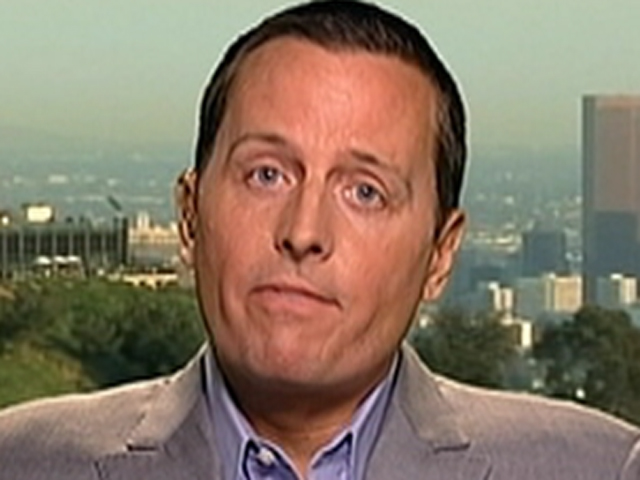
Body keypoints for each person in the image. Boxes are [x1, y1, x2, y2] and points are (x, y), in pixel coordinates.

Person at [1, 1, 639, 478]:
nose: (303, 233)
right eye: (266, 175)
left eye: (364, 192)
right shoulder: (21, 461)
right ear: (190, 215)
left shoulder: (601, 468)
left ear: (441, 254)